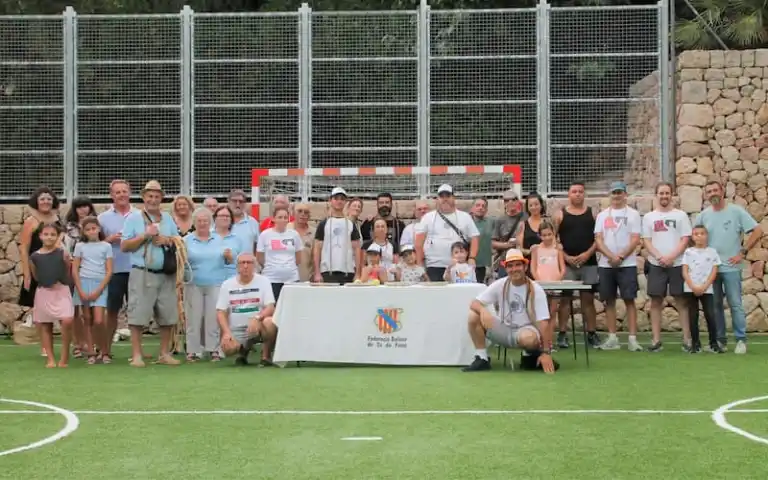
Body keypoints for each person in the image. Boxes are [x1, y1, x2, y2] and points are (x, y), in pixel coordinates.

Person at [694, 180, 763, 354]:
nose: (713, 194)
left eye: (715, 190)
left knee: (735, 304)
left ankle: (740, 340)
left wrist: (742, 252)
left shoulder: (736, 211)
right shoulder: (703, 216)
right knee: (715, 306)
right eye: (709, 191)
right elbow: (695, 238)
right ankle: (720, 341)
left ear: (722, 191)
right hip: (711, 270)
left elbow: (757, 230)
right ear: (706, 195)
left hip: (731, 267)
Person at [462, 248, 556, 373]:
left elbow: (544, 322)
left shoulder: (536, 289)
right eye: (510, 266)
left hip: (525, 330)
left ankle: (530, 356)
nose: (514, 269)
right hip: (504, 328)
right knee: (473, 315)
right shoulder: (500, 284)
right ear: (506, 269)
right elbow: (474, 303)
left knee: (529, 338)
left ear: (525, 267)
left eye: (518, 265)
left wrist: (546, 352)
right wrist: (483, 310)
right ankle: (482, 358)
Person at [121, 180, 181, 367]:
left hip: (166, 273)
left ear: (161, 198)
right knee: (138, 315)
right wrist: (145, 235)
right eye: (150, 196)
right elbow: (124, 246)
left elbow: (177, 240)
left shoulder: (168, 219)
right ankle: (136, 354)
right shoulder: (133, 218)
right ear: (143, 197)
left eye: (156, 196)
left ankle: (164, 353)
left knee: (168, 315)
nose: (153, 200)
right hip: (142, 272)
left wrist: (166, 240)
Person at [642, 182, 692, 352]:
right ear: (656, 195)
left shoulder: (681, 216)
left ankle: (687, 340)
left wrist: (671, 257)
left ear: (672, 195)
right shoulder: (649, 217)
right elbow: (646, 240)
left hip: (677, 264)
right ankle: (656, 341)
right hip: (656, 265)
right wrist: (659, 257)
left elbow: (685, 239)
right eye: (661, 193)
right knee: (656, 302)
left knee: (681, 301)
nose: (664, 196)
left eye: (667, 193)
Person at [594, 181, 643, 352]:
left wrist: (621, 256)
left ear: (625, 194)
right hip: (606, 264)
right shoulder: (602, 216)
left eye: (619, 192)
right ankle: (612, 338)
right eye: (614, 192)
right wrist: (610, 256)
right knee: (609, 301)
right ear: (610, 195)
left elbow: (635, 239)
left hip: (627, 263)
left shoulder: (633, 214)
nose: (616, 196)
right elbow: (598, 239)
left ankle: (632, 339)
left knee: (629, 300)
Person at [552, 181, 600, 349]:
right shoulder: (560, 215)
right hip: (567, 265)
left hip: (589, 263)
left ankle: (591, 333)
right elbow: (552, 240)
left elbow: (599, 239)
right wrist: (565, 257)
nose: (578, 194)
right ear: (569, 194)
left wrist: (587, 254)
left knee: (588, 300)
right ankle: (562, 334)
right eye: (574, 191)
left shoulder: (593, 214)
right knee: (565, 300)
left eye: (580, 191)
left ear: (584, 194)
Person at [19, 186, 64, 357]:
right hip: (37, 269)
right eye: (42, 199)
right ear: (36, 202)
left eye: (49, 199)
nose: (46, 202)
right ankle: (45, 347)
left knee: (62, 310)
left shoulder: (58, 219)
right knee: (41, 310)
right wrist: (27, 274)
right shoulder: (31, 221)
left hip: (58, 270)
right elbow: (24, 248)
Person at [216, 253, 277, 366]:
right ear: (237, 266)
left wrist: (257, 318)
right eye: (242, 263)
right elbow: (221, 312)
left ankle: (266, 356)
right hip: (236, 328)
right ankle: (242, 352)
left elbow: (270, 307)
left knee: (269, 322)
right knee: (228, 349)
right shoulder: (227, 284)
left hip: (257, 325)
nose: (245, 266)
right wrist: (226, 333)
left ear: (254, 266)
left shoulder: (264, 281)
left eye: (249, 263)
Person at [184, 207, 228, 362]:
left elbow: (229, 259)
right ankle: (192, 350)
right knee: (193, 318)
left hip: (215, 282)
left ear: (210, 222)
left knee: (213, 318)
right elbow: (181, 261)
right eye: (199, 221)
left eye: (205, 221)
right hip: (193, 283)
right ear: (194, 222)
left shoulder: (219, 239)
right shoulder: (186, 240)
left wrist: (229, 255)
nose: (202, 223)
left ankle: (214, 349)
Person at [30, 223, 74, 368]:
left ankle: (64, 357)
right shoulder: (35, 256)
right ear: (40, 236)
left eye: (53, 234)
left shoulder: (63, 253)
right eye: (46, 234)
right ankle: (50, 358)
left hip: (61, 290)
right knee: (45, 325)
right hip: (44, 292)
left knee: (67, 320)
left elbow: (67, 269)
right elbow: (36, 275)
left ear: (57, 236)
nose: (49, 237)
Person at [415, 184, 480, 281]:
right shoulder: (428, 217)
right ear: (437, 199)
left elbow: (475, 238)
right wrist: (420, 264)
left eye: (448, 196)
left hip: (459, 266)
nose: (445, 199)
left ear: (453, 198)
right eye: (442, 197)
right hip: (434, 266)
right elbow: (418, 243)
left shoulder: (465, 217)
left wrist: (472, 258)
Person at [72, 217, 113, 364]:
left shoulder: (106, 246)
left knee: (99, 320)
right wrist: (80, 289)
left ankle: (104, 351)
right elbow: (75, 269)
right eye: (88, 229)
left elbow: (109, 271)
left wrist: (99, 289)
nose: (91, 232)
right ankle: (91, 352)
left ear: (99, 229)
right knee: (87, 318)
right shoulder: (80, 246)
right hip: (84, 283)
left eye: (93, 228)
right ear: (83, 231)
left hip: (100, 284)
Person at [62, 195, 96, 358]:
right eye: (79, 207)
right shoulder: (68, 228)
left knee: (90, 311)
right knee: (74, 310)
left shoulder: (95, 224)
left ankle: (91, 343)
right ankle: (77, 344)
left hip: (93, 271)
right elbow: (66, 249)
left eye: (85, 206)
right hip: (73, 271)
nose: (83, 210)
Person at [682, 225, 723, 354]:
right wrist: (693, 286)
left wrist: (705, 286)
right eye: (696, 234)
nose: (699, 236)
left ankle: (713, 343)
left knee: (710, 314)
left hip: (707, 289)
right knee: (693, 316)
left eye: (702, 233)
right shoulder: (688, 252)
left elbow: (714, 271)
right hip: (691, 289)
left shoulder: (712, 252)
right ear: (692, 237)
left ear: (707, 236)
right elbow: (685, 271)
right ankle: (695, 344)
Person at [313, 187, 361, 284]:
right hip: (327, 271)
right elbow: (317, 248)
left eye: (342, 199)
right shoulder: (324, 223)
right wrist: (317, 272)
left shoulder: (350, 224)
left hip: (348, 272)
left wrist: (358, 273)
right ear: (330, 200)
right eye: (336, 198)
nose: (339, 201)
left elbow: (357, 249)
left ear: (345, 202)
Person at [530, 221, 565, 351]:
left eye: (549, 234)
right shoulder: (536, 249)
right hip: (541, 286)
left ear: (553, 234)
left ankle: (549, 342)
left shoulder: (558, 249)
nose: (547, 237)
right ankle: (540, 341)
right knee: (541, 314)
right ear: (540, 236)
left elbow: (562, 269)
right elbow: (533, 268)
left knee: (552, 313)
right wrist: (539, 282)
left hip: (555, 285)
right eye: (544, 235)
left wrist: (557, 280)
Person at [256, 207, 302, 300]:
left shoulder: (294, 234)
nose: (283, 220)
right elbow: (260, 257)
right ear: (273, 218)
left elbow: (298, 258)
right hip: (271, 278)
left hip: (291, 278)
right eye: (280, 217)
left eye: (285, 217)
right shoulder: (265, 235)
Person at [491, 189, 525, 279]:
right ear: (504, 203)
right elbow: (493, 243)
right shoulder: (500, 220)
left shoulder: (525, 217)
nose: (510, 202)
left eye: (513, 199)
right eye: (507, 200)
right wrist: (508, 245)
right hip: (505, 260)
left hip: (522, 259)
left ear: (518, 201)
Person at [288, 202, 315, 282]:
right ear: (293, 213)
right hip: (287, 278)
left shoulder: (314, 232)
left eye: (306, 212)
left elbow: (316, 257)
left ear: (309, 216)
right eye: (299, 211)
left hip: (307, 278)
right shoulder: (285, 230)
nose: (303, 214)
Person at [227, 189, 260, 255]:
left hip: (247, 261)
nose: (238, 204)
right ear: (228, 202)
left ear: (245, 204)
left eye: (241, 201)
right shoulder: (221, 220)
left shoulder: (252, 222)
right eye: (234, 201)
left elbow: (257, 245)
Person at [517, 192, 546, 263]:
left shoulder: (547, 223)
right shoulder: (522, 225)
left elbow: (554, 244)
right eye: (530, 205)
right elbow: (519, 248)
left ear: (541, 205)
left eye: (536, 204)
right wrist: (531, 251)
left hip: (545, 261)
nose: (533, 207)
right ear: (527, 207)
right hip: (528, 262)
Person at [470, 197, 494, 283]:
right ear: (472, 208)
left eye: (483, 206)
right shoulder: (466, 222)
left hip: (485, 265)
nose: (480, 208)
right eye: (478, 205)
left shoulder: (491, 222)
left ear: (486, 210)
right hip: (470, 263)